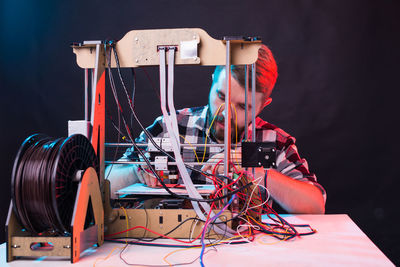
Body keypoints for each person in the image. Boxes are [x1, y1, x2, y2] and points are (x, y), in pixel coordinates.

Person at [106, 44, 326, 214]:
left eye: (242, 106)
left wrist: (257, 173)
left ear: (263, 105)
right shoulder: (171, 126)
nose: (225, 112)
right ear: (212, 81)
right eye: (221, 96)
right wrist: (136, 172)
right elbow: (105, 182)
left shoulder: (272, 141)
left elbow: (316, 205)